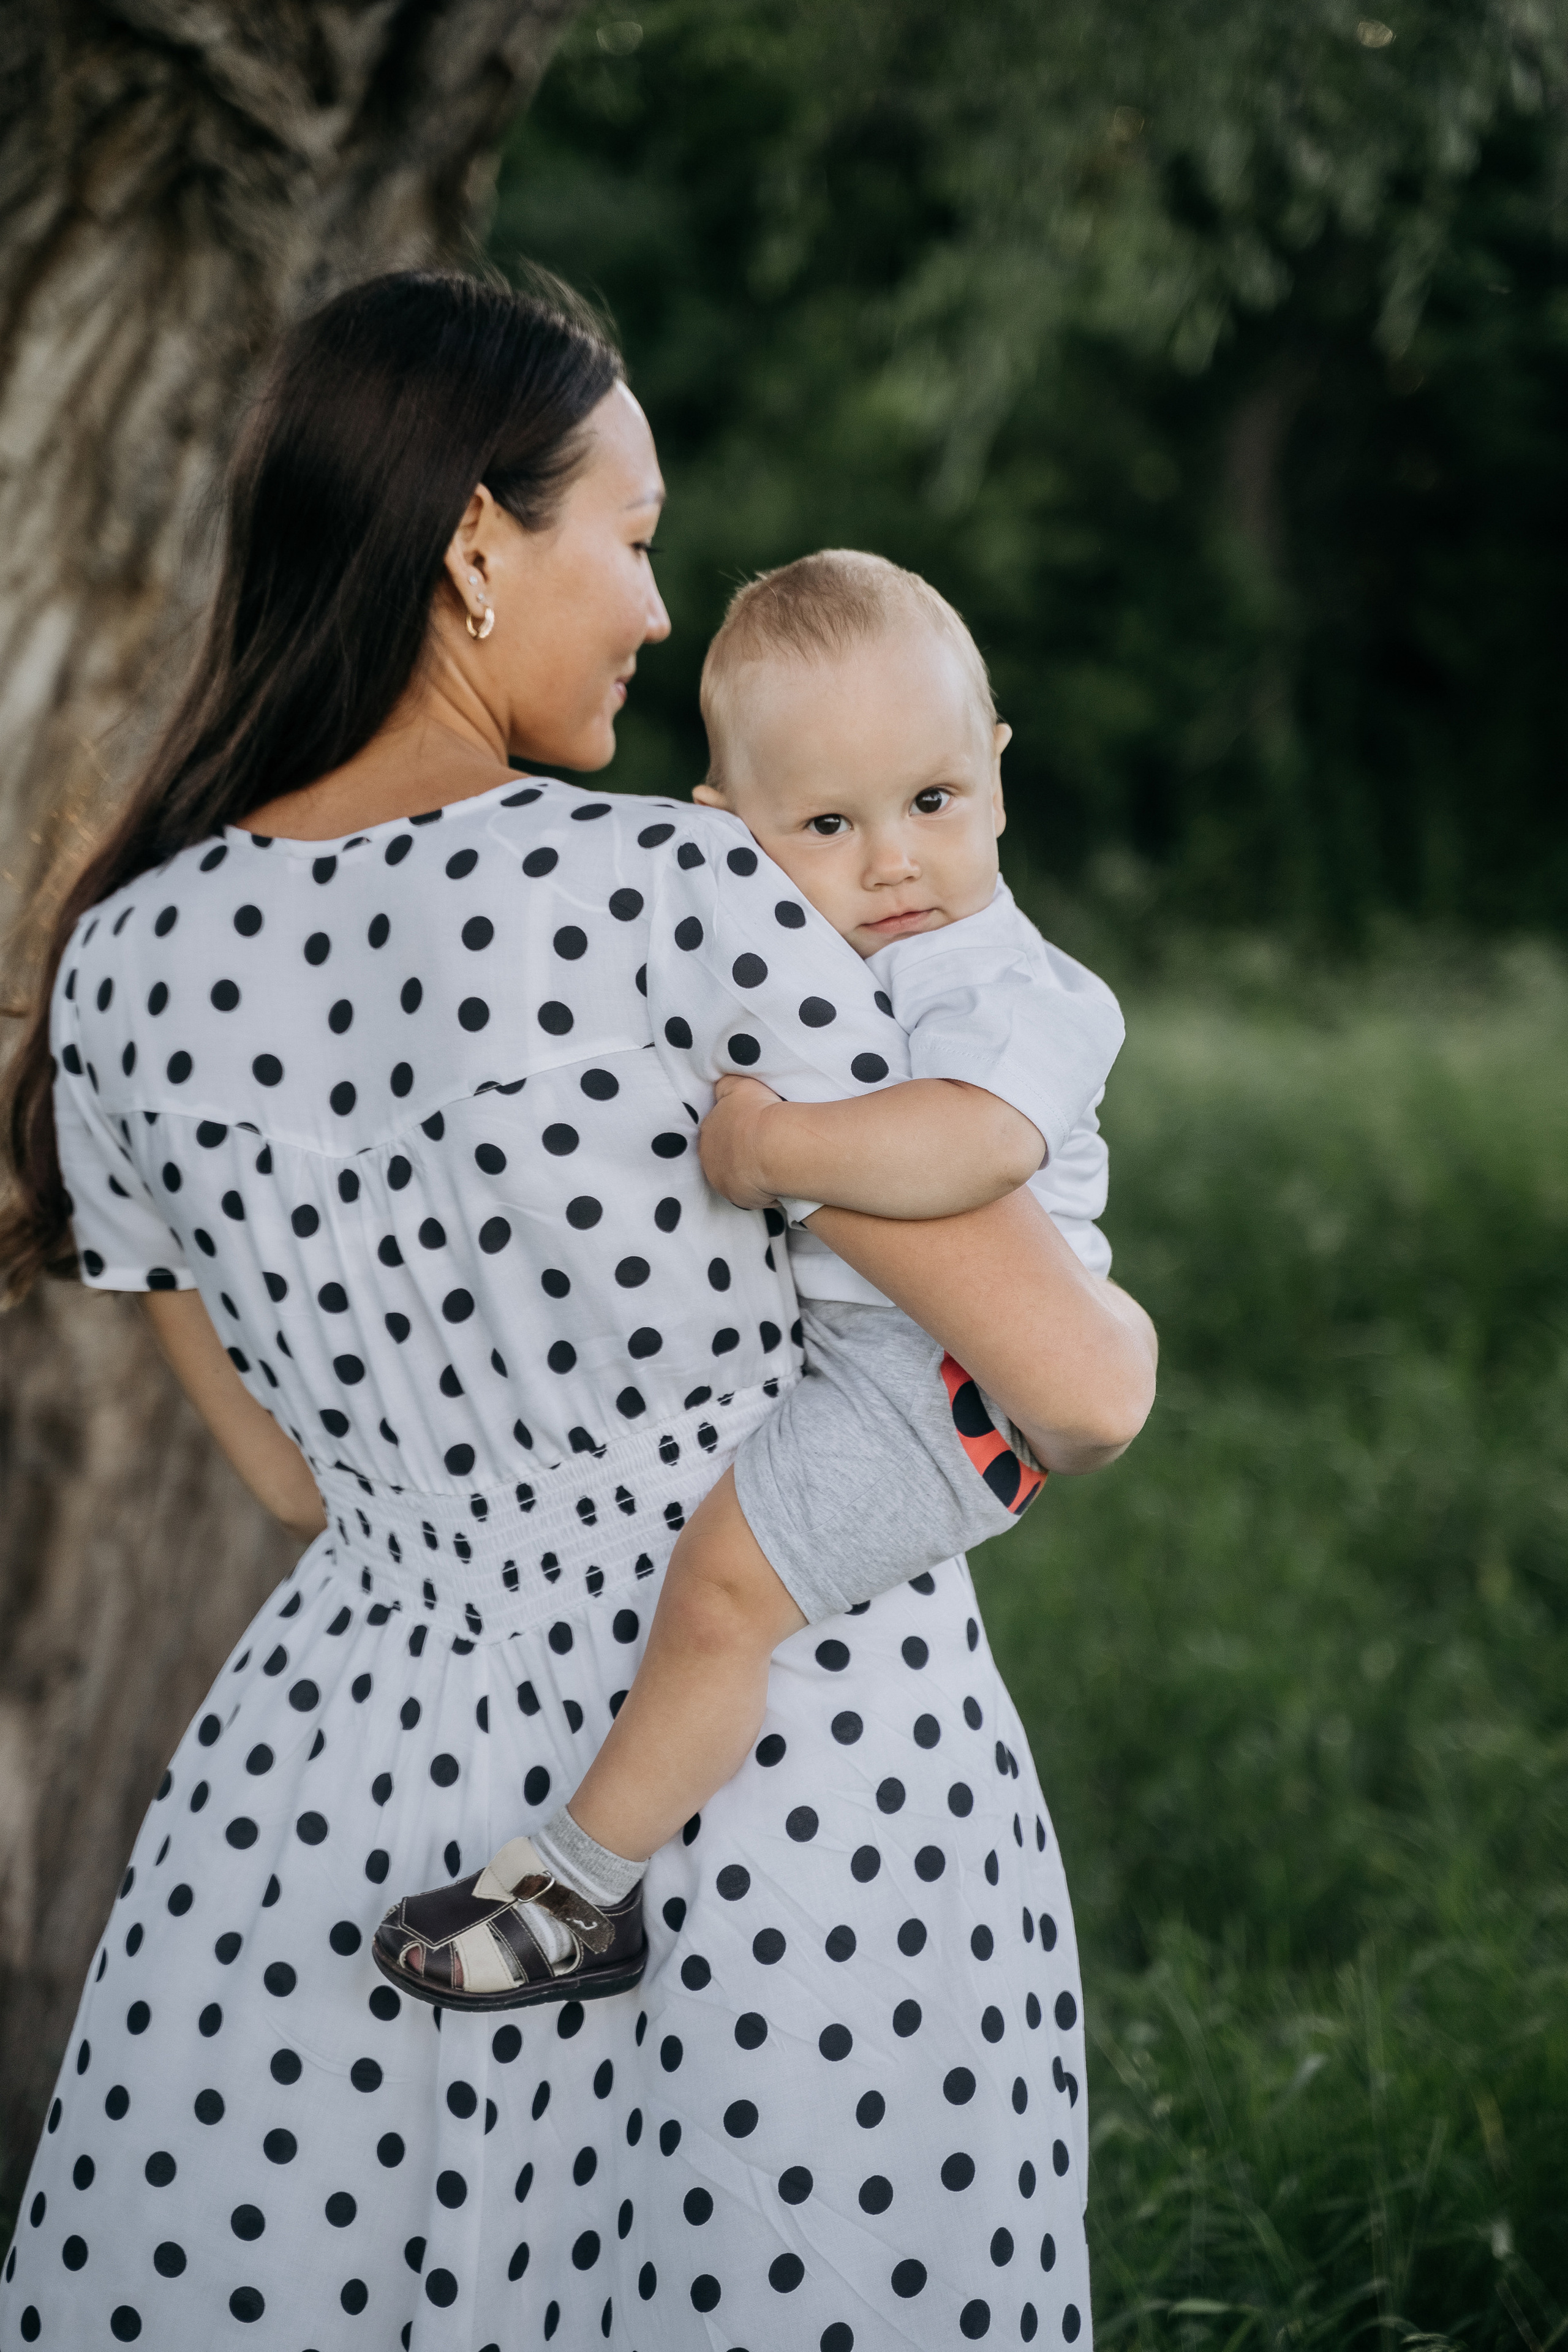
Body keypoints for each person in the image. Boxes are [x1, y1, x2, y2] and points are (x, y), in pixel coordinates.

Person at [0, 269, 1155, 2351]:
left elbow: (279, 1467)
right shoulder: (671, 890)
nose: (650, 607)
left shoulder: (126, 962)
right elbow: (1069, 1384)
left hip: (337, 1789)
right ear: (473, 546)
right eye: (627, 537)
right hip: (792, 1789)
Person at [375, 549, 1140, 2015]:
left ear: (993, 768)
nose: (893, 861)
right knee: (720, 1596)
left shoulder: (1002, 985)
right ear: (727, 835)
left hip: (945, 1386)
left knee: (719, 1597)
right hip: (886, 1359)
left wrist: (777, 1145)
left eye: (931, 803)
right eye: (828, 825)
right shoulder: (826, 950)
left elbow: (975, 1145)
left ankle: (581, 1886)